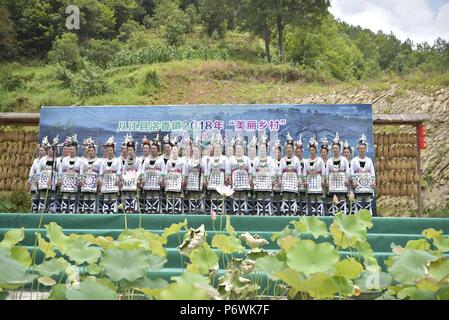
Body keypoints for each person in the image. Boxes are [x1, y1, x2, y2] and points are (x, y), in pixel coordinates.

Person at [325, 132, 350, 215]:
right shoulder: (329, 161)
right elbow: (326, 172)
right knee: (334, 201)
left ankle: (343, 218)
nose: (335, 150)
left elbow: (347, 171)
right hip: (333, 184)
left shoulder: (344, 160)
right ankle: (334, 218)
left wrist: (347, 179)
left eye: (337, 148)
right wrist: (327, 181)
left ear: (340, 149)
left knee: (342, 200)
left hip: (342, 183)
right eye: (334, 148)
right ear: (332, 149)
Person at [351, 134, 376, 214]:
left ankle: (368, 218)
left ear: (366, 149)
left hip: (367, 186)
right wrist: (353, 181)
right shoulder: (354, 160)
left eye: (363, 148)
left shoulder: (369, 160)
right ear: (358, 149)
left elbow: (372, 172)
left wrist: (373, 181)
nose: (362, 150)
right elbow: (351, 172)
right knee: (358, 202)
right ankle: (358, 219)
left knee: (368, 201)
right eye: (361, 148)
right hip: (358, 185)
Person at [204, 134, 229, 214]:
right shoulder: (211, 159)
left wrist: (226, 178)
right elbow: (208, 170)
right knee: (214, 194)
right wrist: (206, 179)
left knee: (220, 194)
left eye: (218, 148)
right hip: (213, 177)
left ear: (221, 149)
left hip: (221, 177)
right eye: (215, 148)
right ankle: (214, 211)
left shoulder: (224, 158)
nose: (217, 150)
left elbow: (227, 169)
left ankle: (221, 211)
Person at [228, 135, 252, 215]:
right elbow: (228, 170)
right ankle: (236, 210)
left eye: (240, 149)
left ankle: (242, 210)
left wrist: (250, 178)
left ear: (243, 149)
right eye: (237, 149)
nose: (239, 150)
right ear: (235, 150)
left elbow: (250, 170)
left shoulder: (246, 158)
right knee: (236, 193)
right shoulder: (231, 159)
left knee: (242, 193)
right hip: (235, 178)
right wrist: (230, 179)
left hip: (244, 178)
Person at [279, 133, 302, 215]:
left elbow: (299, 172)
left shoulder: (296, 160)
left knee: (292, 196)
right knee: (285, 196)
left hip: (293, 180)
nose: (288, 149)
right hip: (285, 179)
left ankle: (292, 212)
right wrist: (279, 181)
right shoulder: (282, 160)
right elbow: (280, 172)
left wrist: (299, 181)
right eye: (287, 148)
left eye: (290, 148)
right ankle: (285, 212)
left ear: (293, 149)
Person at [253, 134, 275, 216]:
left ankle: (267, 212)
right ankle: (260, 211)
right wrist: (254, 181)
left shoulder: (270, 160)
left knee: (266, 195)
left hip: (267, 180)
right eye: (261, 148)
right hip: (259, 180)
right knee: (259, 195)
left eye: (263, 148)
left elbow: (272, 171)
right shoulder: (256, 159)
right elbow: (254, 172)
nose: (262, 150)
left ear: (266, 149)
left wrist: (272, 181)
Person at [58, 135, 82, 214]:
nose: (71, 150)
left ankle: (72, 211)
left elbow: (81, 171)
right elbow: (60, 170)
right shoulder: (64, 159)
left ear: (76, 151)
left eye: (73, 149)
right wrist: (60, 179)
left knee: (72, 196)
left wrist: (80, 180)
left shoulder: (79, 160)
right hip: (65, 179)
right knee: (65, 195)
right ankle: (64, 210)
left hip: (75, 180)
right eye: (70, 149)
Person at [99, 137, 122, 214]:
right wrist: (100, 181)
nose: (109, 152)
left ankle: (113, 211)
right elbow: (101, 173)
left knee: (113, 196)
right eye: (108, 150)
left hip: (114, 179)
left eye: (111, 150)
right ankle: (105, 211)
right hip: (105, 179)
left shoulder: (117, 160)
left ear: (113, 151)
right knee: (106, 196)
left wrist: (118, 179)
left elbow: (119, 171)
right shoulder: (103, 161)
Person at [36, 136, 58, 213]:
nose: (51, 152)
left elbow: (59, 170)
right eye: (50, 150)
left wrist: (58, 179)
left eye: (53, 151)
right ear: (48, 150)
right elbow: (38, 170)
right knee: (43, 193)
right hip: (43, 178)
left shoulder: (56, 160)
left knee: (51, 193)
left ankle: (50, 209)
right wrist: (38, 179)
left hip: (52, 178)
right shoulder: (42, 159)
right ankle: (42, 209)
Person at [304, 137, 326, 216]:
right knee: (312, 197)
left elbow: (323, 172)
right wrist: (305, 181)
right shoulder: (306, 161)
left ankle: (319, 213)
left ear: (316, 151)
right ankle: (313, 214)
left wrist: (323, 180)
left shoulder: (320, 160)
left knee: (318, 197)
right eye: (310, 150)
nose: (311, 152)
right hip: (310, 181)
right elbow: (304, 173)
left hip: (318, 180)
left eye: (313, 150)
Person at [183, 137, 205, 214]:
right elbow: (186, 172)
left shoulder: (203, 161)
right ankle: (192, 209)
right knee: (192, 195)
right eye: (195, 151)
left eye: (197, 151)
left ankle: (200, 210)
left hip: (199, 179)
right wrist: (185, 180)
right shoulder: (189, 161)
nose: (196, 153)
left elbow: (205, 171)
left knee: (199, 195)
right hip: (191, 179)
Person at [79, 138, 101, 214]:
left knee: (92, 195)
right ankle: (85, 210)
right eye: (89, 151)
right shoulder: (83, 160)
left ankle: (92, 210)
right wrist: (81, 179)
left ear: (95, 151)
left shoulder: (99, 160)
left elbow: (100, 171)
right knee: (86, 195)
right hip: (86, 180)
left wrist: (99, 180)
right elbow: (81, 171)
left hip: (94, 180)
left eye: (92, 151)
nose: (91, 152)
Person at [121, 134, 140, 213]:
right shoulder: (126, 160)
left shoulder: (138, 160)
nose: (129, 152)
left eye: (131, 150)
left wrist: (136, 178)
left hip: (134, 180)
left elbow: (139, 170)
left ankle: (133, 209)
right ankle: (127, 209)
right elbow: (124, 170)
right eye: (128, 150)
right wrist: (123, 177)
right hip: (127, 181)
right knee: (127, 194)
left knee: (133, 195)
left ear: (134, 150)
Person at [164, 141, 185, 214]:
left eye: (176, 150)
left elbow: (184, 171)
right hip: (170, 181)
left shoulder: (182, 160)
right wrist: (165, 180)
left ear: (178, 151)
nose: (174, 151)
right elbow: (166, 171)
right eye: (173, 150)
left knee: (177, 196)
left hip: (178, 180)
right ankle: (169, 209)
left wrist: (183, 180)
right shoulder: (168, 161)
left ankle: (177, 209)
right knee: (169, 195)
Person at [29, 142, 46, 213]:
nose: (41, 152)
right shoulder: (36, 160)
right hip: (35, 179)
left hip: (44, 179)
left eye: (42, 150)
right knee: (35, 195)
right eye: (39, 150)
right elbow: (32, 169)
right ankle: (34, 210)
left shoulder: (47, 159)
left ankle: (42, 210)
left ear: (46, 151)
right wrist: (30, 178)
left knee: (43, 194)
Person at [295, 134, 307, 215]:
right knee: (297, 197)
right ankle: (297, 212)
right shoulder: (294, 161)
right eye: (297, 152)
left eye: (300, 152)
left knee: (304, 197)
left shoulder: (306, 161)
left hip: (304, 181)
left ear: (302, 152)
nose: (298, 153)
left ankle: (304, 212)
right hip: (295, 181)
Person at [272, 140, 283, 215]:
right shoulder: (271, 162)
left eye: (279, 152)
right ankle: (274, 212)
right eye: (276, 152)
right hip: (274, 185)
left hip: (282, 185)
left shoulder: (283, 161)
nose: (278, 154)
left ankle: (282, 212)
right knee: (274, 199)